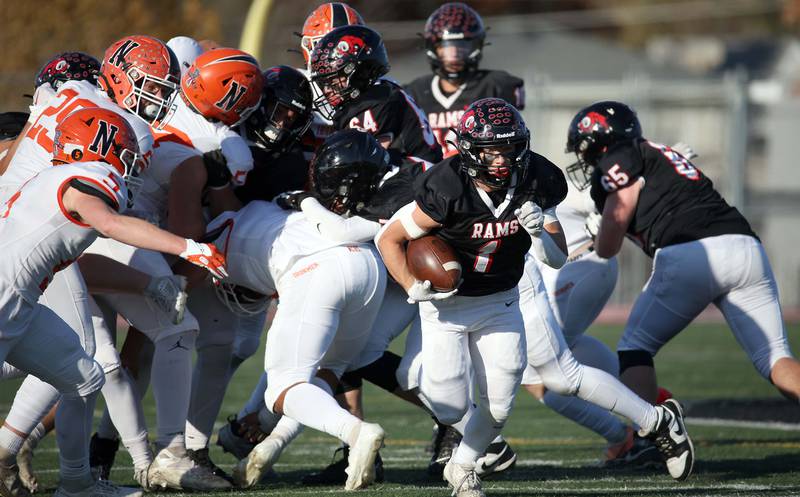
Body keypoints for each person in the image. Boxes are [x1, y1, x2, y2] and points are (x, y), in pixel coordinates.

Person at [0, 106, 226, 497]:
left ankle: (77, 485)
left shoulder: (46, 179)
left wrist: (146, 283)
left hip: (22, 299)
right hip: (7, 295)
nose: (130, 164)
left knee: (85, 378)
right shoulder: (91, 175)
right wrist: (189, 248)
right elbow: (110, 224)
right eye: (125, 153)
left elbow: (80, 263)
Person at [566, 100, 800, 408]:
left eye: (585, 149)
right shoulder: (659, 153)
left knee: (635, 349)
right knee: (775, 356)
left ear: (598, 141)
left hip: (691, 252)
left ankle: (651, 437)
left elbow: (611, 241)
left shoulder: (620, 156)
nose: (585, 158)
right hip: (745, 246)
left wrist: (603, 231)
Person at [309, 25, 443, 165]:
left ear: (358, 71)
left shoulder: (377, 101)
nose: (327, 90)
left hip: (417, 179)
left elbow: (367, 165)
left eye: (333, 80)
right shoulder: (382, 91)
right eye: (323, 83)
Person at [406, 2, 524, 158]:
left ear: (476, 46)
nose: (454, 56)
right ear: (433, 48)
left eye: (461, 47)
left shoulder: (497, 85)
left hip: (479, 176)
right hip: (428, 176)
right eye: (446, 48)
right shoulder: (414, 92)